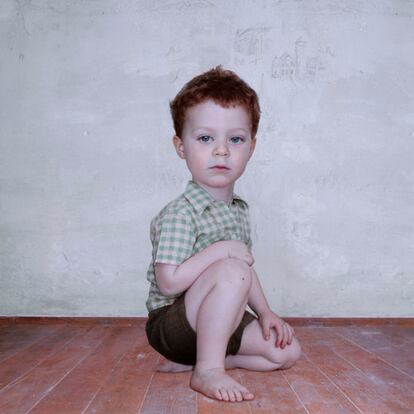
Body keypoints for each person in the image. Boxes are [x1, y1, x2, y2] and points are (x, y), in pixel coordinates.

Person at [145, 66, 301, 403]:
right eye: (205, 138)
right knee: (230, 266)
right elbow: (168, 284)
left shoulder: (238, 210)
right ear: (180, 146)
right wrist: (222, 251)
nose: (221, 150)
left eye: (235, 139)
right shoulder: (181, 213)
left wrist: (267, 313)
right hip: (173, 326)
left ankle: (206, 359)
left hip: (219, 319)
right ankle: (208, 369)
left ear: (252, 147)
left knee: (286, 352)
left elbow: (243, 271)